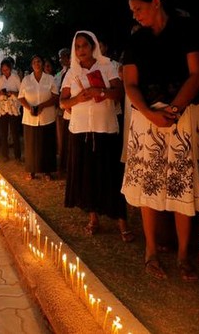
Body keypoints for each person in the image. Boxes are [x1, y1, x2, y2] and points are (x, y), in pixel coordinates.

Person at [121, 0, 199, 281]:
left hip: (181, 113)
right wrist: (149, 113)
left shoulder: (186, 29)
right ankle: (151, 251)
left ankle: (183, 255)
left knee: (181, 182)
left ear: (155, 2)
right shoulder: (137, 39)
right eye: (133, 11)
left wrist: (175, 110)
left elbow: (195, 74)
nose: (136, 15)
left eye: (139, 9)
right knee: (149, 183)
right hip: (147, 118)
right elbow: (130, 83)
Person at [60, 31, 132, 241]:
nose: (81, 50)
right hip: (80, 130)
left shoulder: (108, 66)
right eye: (77, 47)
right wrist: (78, 98)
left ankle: (121, 221)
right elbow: (63, 102)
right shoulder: (71, 73)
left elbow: (119, 93)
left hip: (105, 128)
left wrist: (99, 92)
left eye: (85, 45)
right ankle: (93, 218)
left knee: (111, 176)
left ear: (93, 46)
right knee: (88, 176)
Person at [18, 55, 59, 180]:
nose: (37, 64)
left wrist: (42, 106)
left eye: (39, 61)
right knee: (31, 145)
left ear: (42, 63)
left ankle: (47, 171)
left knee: (47, 144)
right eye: (34, 62)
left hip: (47, 117)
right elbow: (21, 97)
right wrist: (29, 107)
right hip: (30, 118)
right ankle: (31, 171)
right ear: (31, 65)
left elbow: (55, 96)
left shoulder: (50, 78)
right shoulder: (26, 79)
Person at [0, 58, 22, 161]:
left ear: (10, 69)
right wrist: (1, 93)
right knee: (3, 133)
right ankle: (5, 155)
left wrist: (12, 92)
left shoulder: (15, 78)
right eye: (3, 70)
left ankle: (17, 155)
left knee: (15, 133)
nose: (5, 72)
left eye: (6, 70)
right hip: (2, 108)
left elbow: (21, 93)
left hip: (13, 108)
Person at [55, 48, 71, 177]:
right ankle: (63, 166)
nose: (60, 60)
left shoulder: (71, 72)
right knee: (63, 141)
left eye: (62, 57)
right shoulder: (63, 73)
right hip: (65, 111)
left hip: (72, 111)